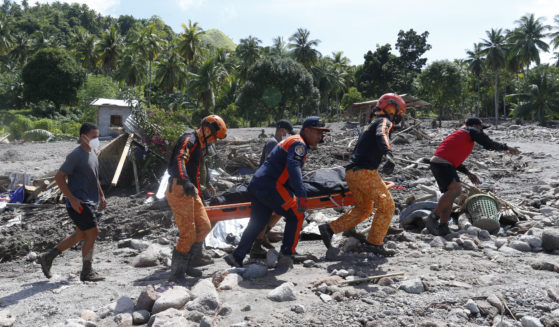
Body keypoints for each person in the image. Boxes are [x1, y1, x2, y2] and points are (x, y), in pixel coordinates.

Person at [225, 117, 329, 267]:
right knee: (297, 213)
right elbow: (293, 168)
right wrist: (301, 194)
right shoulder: (299, 144)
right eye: (318, 133)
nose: (320, 137)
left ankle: (237, 256)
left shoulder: (293, 140)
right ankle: (288, 252)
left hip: (258, 184)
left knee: (258, 222)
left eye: (322, 134)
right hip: (272, 185)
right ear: (307, 130)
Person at [319, 93, 407, 257]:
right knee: (387, 206)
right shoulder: (383, 122)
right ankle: (374, 243)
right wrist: (389, 155)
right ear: (391, 107)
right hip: (365, 172)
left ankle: (329, 229)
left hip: (352, 173)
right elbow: (382, 134)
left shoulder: (371, 123)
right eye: (398, 112)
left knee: (364, 209)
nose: (398, 116)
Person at [426, 117, 520, 236]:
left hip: (441, 162)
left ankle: (443, 226)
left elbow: (454, 158)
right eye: (481, 128)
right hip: (443, 163)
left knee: (450, 195)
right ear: (476, 126)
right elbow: (488, 143)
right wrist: (507, 147)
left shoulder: (461, 134)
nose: (482, 130)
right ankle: (433, 217)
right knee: (456, 190)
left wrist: (468, 173)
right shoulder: (471, 131)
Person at [38, 123, 107, 282]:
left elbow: (94, 178)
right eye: (94, 136)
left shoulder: (93, 154)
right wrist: (72, 198)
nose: (97, 139)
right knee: (93, 232)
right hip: (79, 203)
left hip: (90, 201)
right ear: (83, 137)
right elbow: (59, 177)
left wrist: (102, 196)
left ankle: (48, 257)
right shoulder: (76, 155)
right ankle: (87, 272)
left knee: (81, 234)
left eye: (98, 136)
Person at [166, 115, 227, 282]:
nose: (214, 141)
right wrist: (185, 181)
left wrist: (201, 191)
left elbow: (196, 172)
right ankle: (177, 273)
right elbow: (180, 159)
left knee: (205, 225)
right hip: (179, 188)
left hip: (190, 190)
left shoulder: (200, 145)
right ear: (207, 129)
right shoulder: (189, 139)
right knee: (188, 233)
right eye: (214, 137)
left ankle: (188, 263)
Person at [250, 119, 295, 258]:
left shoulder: (278, 144)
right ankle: (256, 246)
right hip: (266, 185)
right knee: (269, 213)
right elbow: (271, 165)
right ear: (282, 131)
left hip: (272, 184)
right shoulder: (272, 143)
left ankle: (264, 236)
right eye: (288, 134)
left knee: (282, 209)